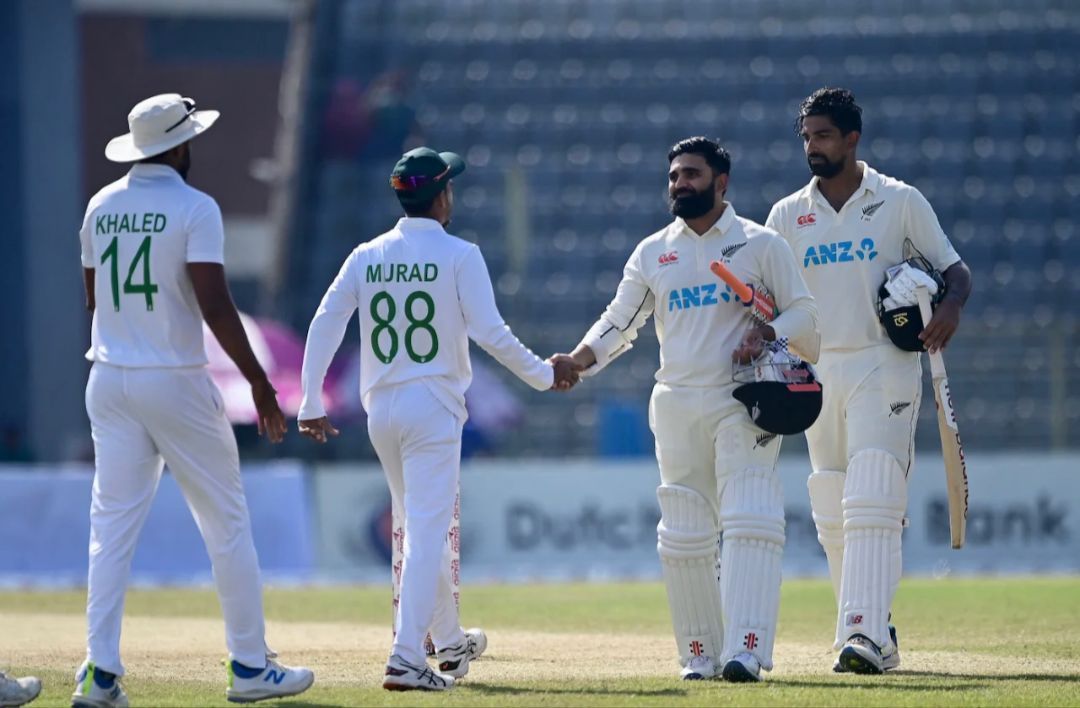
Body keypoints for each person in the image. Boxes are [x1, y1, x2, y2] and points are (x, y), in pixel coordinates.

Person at [297, 147, 580, 691]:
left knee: (420, 526)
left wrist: (311, 399)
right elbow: (492, 334)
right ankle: (405, 656)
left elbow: (325, 321)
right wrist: (545, 376)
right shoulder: (460, 255)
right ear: (443, 195)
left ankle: (448, 641)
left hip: (381, 409)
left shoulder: (366, 254)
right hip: (433, 407)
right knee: (426, 530)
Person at [76, 94, 314, 706]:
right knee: (226, 523)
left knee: (110, 531)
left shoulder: (101, 205)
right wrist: (260, 382)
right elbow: (213, 304)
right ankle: (250, 667)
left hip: (108, 376)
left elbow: (93, 300)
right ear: (179, 147)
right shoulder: (195, 207)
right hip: (174, 379)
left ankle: (99, 675)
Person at [552, 137, 820, 682]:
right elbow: (620, 320)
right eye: (674, 176)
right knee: (685, 531)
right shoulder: (654, 251)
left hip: (742, 398)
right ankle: (699, 653)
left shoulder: (760, 243)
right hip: (675, 401)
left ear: (721, 183)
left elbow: (806, 312)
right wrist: (579, 360)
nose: (679, 184)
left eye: (691, 175)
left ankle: (746, 650)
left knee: (749, 519)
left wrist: (767, 331)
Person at [766, 87, 972, 674]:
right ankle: (870, 625)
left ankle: (864, 636)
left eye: (823, 136)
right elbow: (775, 300)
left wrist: (951, 306)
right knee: (831, 501)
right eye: (806, 137)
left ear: (852, 139)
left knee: (874, 493)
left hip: (885, 363)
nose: (812, 147)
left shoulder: (899, 200)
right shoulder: (786, 215)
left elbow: (956, 270)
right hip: (817, 367)